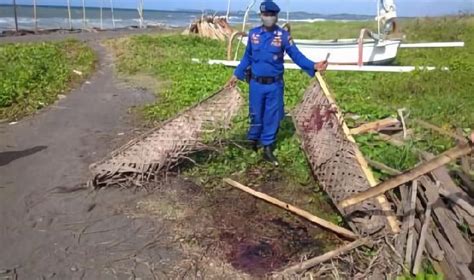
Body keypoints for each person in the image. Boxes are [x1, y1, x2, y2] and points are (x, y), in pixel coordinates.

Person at [226, 0, 328, 166]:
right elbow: (247, 57)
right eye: (265, 14)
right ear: (261, 15)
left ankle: (267, 147)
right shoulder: (253, 34)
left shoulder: (284, 37)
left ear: (276, 16)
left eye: (271, 15)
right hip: (256, 84)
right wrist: (236, 74)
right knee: (255, 113)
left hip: (274, 85)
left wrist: (313, 65)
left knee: (271, 116)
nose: (268, 18)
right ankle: (253, 140)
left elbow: (296, 56)